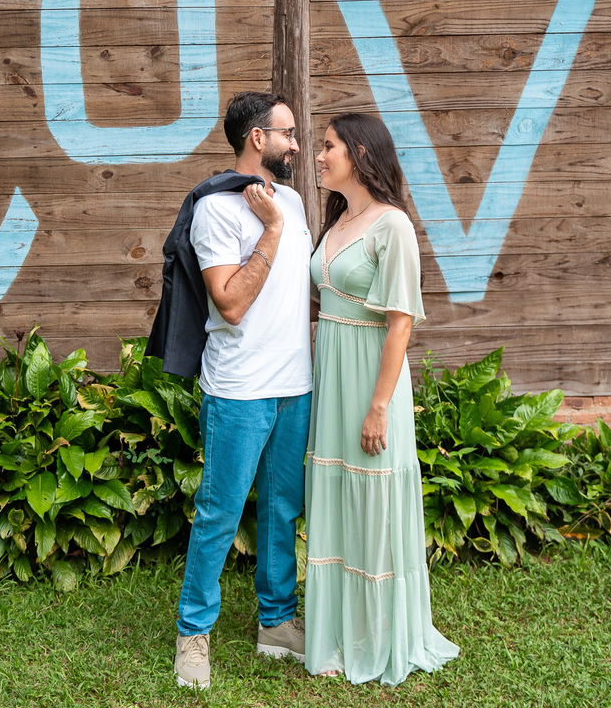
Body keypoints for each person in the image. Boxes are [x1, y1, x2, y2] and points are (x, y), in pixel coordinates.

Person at [304, 113, 460, 685]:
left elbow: (400, 324)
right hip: (333, 375)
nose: (319, 156)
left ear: (361, 154)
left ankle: (379, 636)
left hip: (371, 379)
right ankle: (340, 633)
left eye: (328, 147)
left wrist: (378, 407)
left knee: (371, 499)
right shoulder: (339, 219)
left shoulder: (392, 226)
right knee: (337, 493)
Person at [172, 92, 314, 689]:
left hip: (294, 386)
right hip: (238, 390)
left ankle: (276, 622)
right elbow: (229, 303)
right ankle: (193, 635)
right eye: (287, 134)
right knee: (219, 514)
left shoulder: (296, 201)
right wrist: (273, 230)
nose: (297, 145)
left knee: (282, 511)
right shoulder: (218, 211)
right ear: (258, 138)